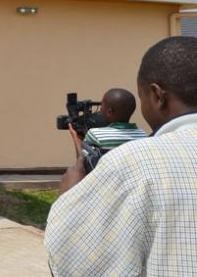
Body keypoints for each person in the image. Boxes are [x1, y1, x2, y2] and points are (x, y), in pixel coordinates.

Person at [45, 36, 197, 275]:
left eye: (141, 97)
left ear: (157, 96)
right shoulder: (137, 147)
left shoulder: (133, 163)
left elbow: (76, 265)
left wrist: (68, 198)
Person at [82, 87, 146, 150]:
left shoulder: (95, 135)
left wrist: (76, 138)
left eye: (102, 105)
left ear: (109, 112)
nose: (100, 109)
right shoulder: (143, 135)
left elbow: (84, 158)